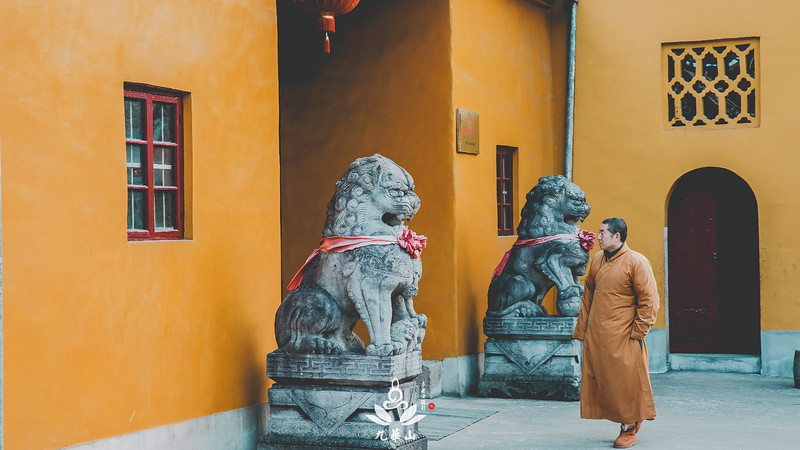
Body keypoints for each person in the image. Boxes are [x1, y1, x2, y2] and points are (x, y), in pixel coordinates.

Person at [572, 217, 659, 449]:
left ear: (617, 236)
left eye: (602, 233)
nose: (598, 236)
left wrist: (638, 332)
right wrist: (582, 331)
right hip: (598, 335)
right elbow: (588, 294)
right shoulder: (598, 259)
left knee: (625, 382)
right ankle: (627, 419)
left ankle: (628, 426)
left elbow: (649, 301)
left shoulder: (636, 261)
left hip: (624, 335)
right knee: (604, 382)